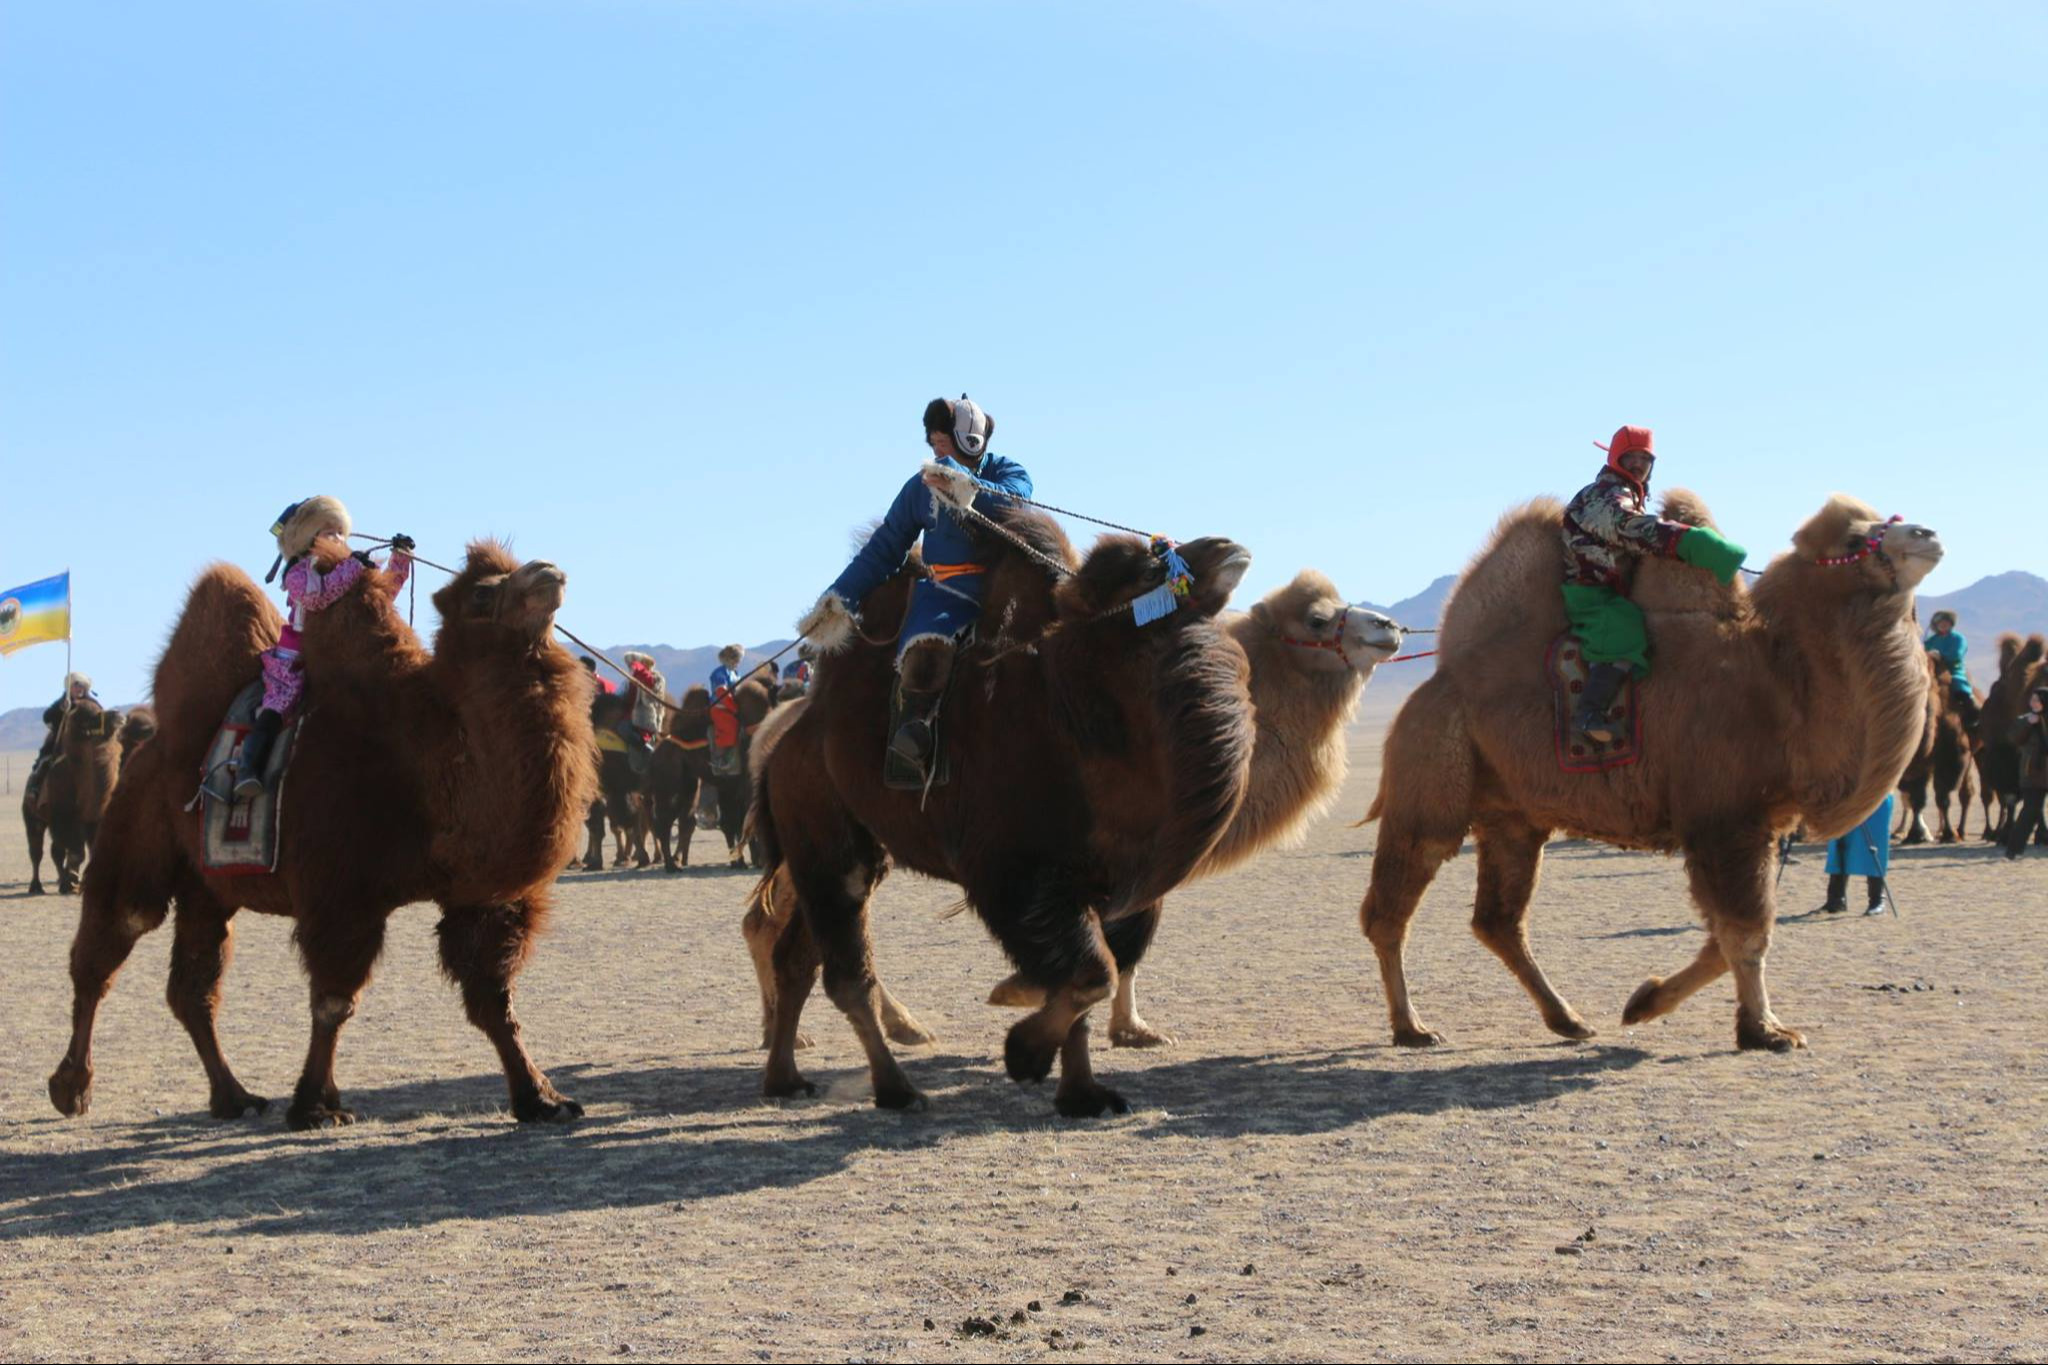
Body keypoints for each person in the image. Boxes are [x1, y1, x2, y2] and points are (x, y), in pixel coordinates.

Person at [795, 394, 1031, 776]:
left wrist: (963, 486)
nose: (936, 453)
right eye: (934, 444)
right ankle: (914, 743)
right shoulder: (919, 486)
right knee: (922, 658)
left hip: (1004, 594)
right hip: (944, 597)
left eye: (943, 444)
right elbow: (886, 546)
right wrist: (839, 598)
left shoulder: (1007, 472)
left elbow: (1015, 504)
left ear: (970, 440)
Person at [1562, 425, 1748, 742]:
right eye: (1630, 457)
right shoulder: (1605, 496)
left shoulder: (1629, 494)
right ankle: (1589, 714)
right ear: (1614, 458)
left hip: (1616, 587)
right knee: (1624, 627)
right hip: (1591, 593)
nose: (1637, 465)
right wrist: (1695, 543)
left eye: (1644, 459)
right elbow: (1630, 528)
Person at [234, 497, 412, 797]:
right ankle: (248, 768)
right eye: (329, 532)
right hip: (298, 654)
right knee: (281, 699)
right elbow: (318, 597)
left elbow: (380, 601)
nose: (338, 538)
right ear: (308, 536)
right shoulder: (298, 573)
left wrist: (400, 558)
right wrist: (355, 566)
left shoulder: (352, 567)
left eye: (340, 532)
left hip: (341, 649)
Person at [1819, 794, 1894, 915]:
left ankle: (1877, 900)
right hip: (1845, 793)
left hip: (1875, 792)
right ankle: (1836, 899)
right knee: (1839, 842)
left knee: (1875, 840)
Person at [24, 672, 94, 803]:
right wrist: (61, 708)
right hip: (60, 738)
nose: (80, 689)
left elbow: (100, 716)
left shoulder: (91, 704)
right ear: (69, 687)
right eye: (76, 685)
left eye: (82, 686)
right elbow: (47, 717)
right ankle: (35, 788)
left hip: (86, 740)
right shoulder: (61, 703)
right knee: (44, 759)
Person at [2004, 686, 2048, 861]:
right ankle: (2014, 850)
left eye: (2037, 700)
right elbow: (2013, 738)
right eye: (2032, 700)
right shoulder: (2024, 720)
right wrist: (2028, 724)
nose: (2034, 703)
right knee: (2029, 812)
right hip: (2032, 774)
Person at [1924, 610, 1979, 731]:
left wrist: (1940, 655)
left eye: (1946, 623)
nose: (1943, 625)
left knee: (1958, 684)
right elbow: (1923, 650)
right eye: (1940, 623)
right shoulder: (1931, 640)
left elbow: (1957, 654)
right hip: (1931, 670)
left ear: (1951, 624)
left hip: (1952, 669)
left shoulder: (1958, 638)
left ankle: (1973, 713)